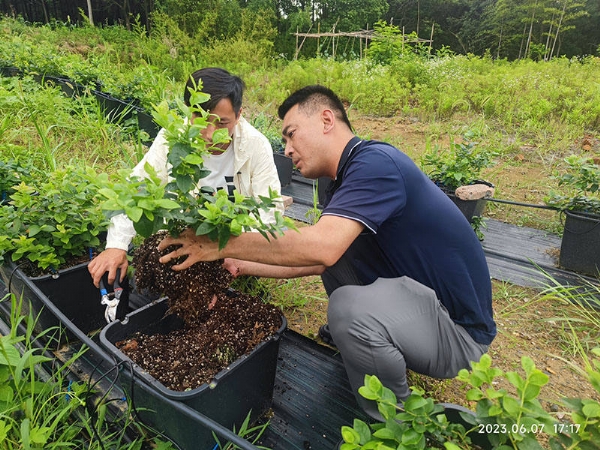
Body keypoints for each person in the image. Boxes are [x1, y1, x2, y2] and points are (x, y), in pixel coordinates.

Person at [156, 85, 496, 419]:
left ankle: (397, 418)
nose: (286, 149)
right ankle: (371, 338)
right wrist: (240, 264)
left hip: (457, 334)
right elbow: (317, 260)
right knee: (333, 259)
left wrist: (217, 244)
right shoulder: (348, 181)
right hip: (421, 306)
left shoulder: (377, 164)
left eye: (291, 134)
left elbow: (322, 248)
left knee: (347, 308)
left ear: (326, 120)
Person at [88, 67, 284, 288]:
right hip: (182, 242)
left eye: (222, 123)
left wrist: (231, 250)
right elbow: (137, 188)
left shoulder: (255, 145)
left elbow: (269, 208)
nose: (210, 134)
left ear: (239, 115)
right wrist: (117, 245)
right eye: (200, 119)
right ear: (189, 111)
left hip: (233, 245)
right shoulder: (173, 140)